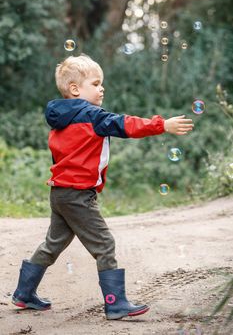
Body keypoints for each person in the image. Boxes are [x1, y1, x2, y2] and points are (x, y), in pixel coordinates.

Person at [12, 54, 194, 320]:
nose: (102, 89)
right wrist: (161, 125)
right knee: (104, 244)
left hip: (60, 192)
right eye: (96, 84)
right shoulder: (93, 116)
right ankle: (116, 303)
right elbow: (125, 124)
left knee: (53, 244)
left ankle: (24, 294)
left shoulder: (60, 119)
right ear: (76, 89)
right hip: (77, 195)